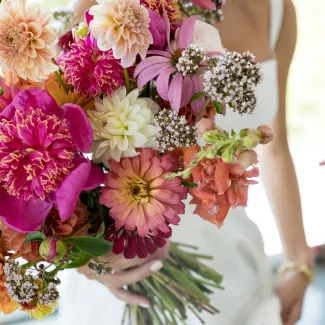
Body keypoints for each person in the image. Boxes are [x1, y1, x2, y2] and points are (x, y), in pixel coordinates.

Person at [58, 0, 314, 324]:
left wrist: (296, 256)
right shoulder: (102, 10)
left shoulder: (276, 10)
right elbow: (51, 162)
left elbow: (275, 148)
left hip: (236, 274)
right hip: (123, 278)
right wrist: (87, 260)